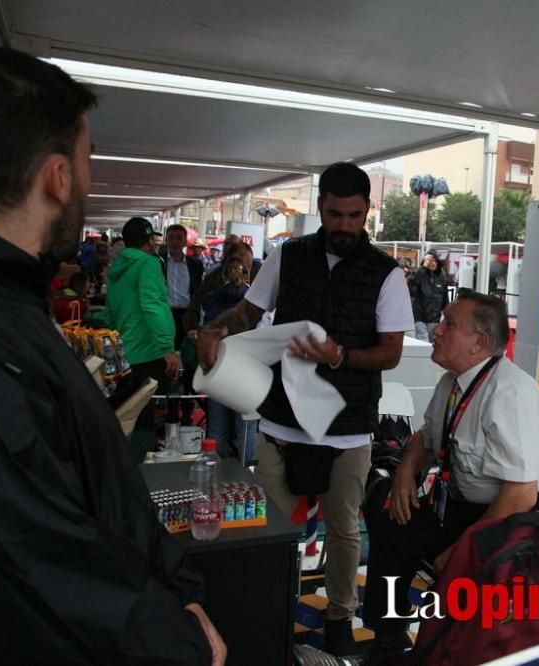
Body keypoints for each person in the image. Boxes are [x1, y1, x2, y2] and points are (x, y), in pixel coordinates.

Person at [0, 46, 224, 664]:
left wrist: (180, 591)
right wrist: (178, 639)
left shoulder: (7, 301)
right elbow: (30, 560)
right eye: (86, 161)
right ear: (57, 177)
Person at [197, 162, 413, 657]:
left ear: (367, 213)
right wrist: (217, 329)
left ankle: (338, 619)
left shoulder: (386, 273)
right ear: (320, 209)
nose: (344, 225)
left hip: (349, 427)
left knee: (343, 532)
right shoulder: (287, 256)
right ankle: (267, 606)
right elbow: (249, 312)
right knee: (269, 530)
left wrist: (340, 355)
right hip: (282, 419)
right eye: (335, 214)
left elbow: (391, 352)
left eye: (354, 216)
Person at [362, 293, 539, 661]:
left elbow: (520, 495)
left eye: (449, 324)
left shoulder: (508, 393)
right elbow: (425, 439)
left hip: (535, 509)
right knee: (390, 519)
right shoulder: (453, 382)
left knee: (462, 565)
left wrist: (461, 548)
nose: (435, 330)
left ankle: (450, 653)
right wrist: (404, 473)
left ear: (479, 343)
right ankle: (389, 639)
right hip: (472, 502)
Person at [105, 216, 183, 401]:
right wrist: (167, 348)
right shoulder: (148, 263)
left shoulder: (117, 267)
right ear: (149, 242)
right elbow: (153, 305)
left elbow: (110, 312)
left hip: (124, 353)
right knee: (147, 416)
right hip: (149, 353)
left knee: (127, 413)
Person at [200, 255, 259, 463]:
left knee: (217, 428)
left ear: (223, 274)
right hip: (247, 371)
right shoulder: (256, 302)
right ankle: (246, 475)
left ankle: (214, 474)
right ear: (247, 274)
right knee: (246, 429)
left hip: (218, 369)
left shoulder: (211, 299)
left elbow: (204, 332)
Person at [160, 223, 205, 349]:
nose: (175, 242)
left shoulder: (195, 264)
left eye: (179, 238)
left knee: (185, 350)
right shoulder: (158, 262)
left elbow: (198, 291)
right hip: (165, 313)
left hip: (187, 314)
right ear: (166, 241)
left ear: (185, 242)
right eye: (171, 238)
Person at [410, 248, 448, 342]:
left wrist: (446, 312)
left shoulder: (441, 276)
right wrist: (423, 266)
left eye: (435, 261)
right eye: (430, 260)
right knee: (423, 341)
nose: (433, 263)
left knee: (432, 344)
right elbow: (412, 283)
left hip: (434, 318)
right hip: (420, 316)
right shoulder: (420, 273)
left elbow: (444, 295)